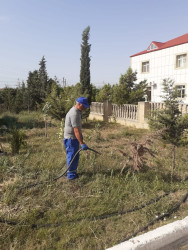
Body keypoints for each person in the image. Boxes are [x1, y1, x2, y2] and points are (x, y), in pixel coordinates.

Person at [63, 97, 89, 180]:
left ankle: (73, 172)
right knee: (72, 156)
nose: (85, 108)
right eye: (84, 106)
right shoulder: (74, 113)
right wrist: (82, 143)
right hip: (71, 139)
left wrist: (80, 137)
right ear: (79, 104)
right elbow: (76, 130)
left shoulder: (78, 112)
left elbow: (78, 128)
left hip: (74, 138)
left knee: (75, 156)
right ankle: (70, 176)